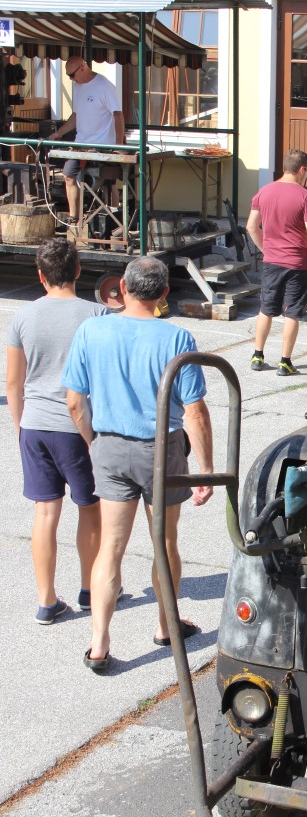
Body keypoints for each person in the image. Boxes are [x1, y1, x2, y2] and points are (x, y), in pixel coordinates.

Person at [63, 257, 214, 672]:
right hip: (161, 449)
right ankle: (167, 625)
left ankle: (99, 642)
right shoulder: (177, 337)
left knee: (110, 548)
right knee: (164, 542)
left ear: (122, 288)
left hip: (109, 444)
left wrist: (95, 441)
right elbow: (196, 411)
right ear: (164, 294)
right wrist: (206, 468)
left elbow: (75, 400)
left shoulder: (92, 329)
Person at [6, 238, 109, 624]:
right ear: (79, 271)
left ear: (40, 275)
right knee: (89, 507)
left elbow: (13, 384)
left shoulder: (22, 317)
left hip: (34, 425)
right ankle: (88, 588)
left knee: (45, 512)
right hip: (78, 425)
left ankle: (47, 600)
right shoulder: (97, 315)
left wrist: (21, 427)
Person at [246, 149, 307, 377]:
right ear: (302, 170)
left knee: (266, 309)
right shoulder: (306, 197)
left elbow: (251, 226)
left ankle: (258, 355)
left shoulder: (263, 192)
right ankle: (285, 361)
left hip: (272, 260)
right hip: (297, 263)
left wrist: (265, 249)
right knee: (292, 313)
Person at [53, 56, 125, 227]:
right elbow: (76, 115)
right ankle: (74, 219)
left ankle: (113, 221)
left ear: (83, 67)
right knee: (68, 175)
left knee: (108, 183)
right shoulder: (77, 88)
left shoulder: (104, 86)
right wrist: (59, 133)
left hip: (103, 146)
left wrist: (117, 146)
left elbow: (118, 115)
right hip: (81, 144)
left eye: (72, 74)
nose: (71, 79)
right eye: (69, 76)